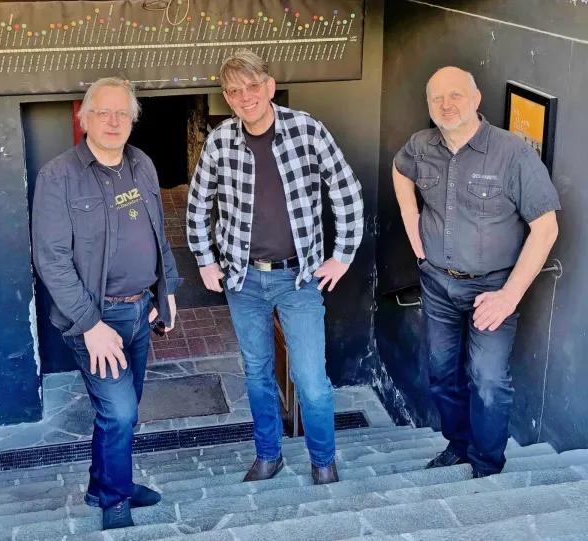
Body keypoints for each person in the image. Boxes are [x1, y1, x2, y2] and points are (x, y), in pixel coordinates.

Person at [187, 50, 364, 485]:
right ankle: (269, 455)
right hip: (243, 279)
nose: (245, 97)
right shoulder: (220, 141)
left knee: (311, 380)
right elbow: (198, 204)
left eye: (253, 86)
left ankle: (323, 462)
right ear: (227, 97)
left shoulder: (307, 129)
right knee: (257, 373)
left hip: (298, 278)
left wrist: (342, 255)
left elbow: (346, 191)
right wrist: (205, 260)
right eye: (234, 91)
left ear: (269, 86)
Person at [392, 66, 560, 477]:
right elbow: (399, 169)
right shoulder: (421, 145)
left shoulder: (513, 154)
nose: (446, 105)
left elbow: (546, 228)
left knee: (488, 379)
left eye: (456, 95)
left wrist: (508, 296)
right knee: (441, 375)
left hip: (493, 288)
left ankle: (486, 466)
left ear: (476, 99)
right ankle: (459, 445)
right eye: (437, 98)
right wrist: (412, 224)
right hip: (436, 284)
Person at [32, 77, 181, 530]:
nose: (113, 121)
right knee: (120, 412)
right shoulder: (58, 177)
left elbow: (158, 234)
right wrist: (91, 325)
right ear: (85, 118)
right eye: (103, 112)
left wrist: (167, 290)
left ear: (133, 120)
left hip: (140, 310)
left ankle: (103, 484)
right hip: (97, 318)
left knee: (122, 411)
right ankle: (115, 500)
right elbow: (51, 260)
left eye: (123, 113)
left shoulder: (143, 165)